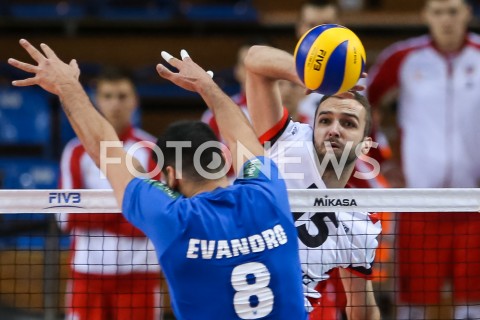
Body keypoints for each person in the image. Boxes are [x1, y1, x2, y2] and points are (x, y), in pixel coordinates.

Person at [9, 40, 308, 319]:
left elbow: (104, 147)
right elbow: (242, 135)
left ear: (171, 176)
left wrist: (66, 86)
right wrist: (208, 85)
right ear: (222, 159)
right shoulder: (269, 191)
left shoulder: (173, 219)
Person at [244, 45, 381, 320]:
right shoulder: (287, 142)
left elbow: (361, 309)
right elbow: (255, 59)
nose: (334, 129)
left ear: (366, 147)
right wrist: (314, 78)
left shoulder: (360, 220)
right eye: (325, 120)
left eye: (349, 124)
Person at [367, 0, 480, 319]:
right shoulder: (402, 58)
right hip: (419, 205)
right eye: (439, 11)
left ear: (468, 13)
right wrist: (380, 157)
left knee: (474, 308)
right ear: (426, 15)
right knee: (411, 309)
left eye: (454, 11)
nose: (446, 19)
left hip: (475, 205)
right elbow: (363, 105)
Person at [56, 68, 162, 320]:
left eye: (122, 96)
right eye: (108, 95)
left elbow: (153, 219)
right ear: (96, 99)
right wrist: (124, 212)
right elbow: (66, 217)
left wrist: (95, 215)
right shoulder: (75, 151)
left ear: (135, 100)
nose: (115, 103)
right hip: (88, 273)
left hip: (139, 273)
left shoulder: (152, 149)